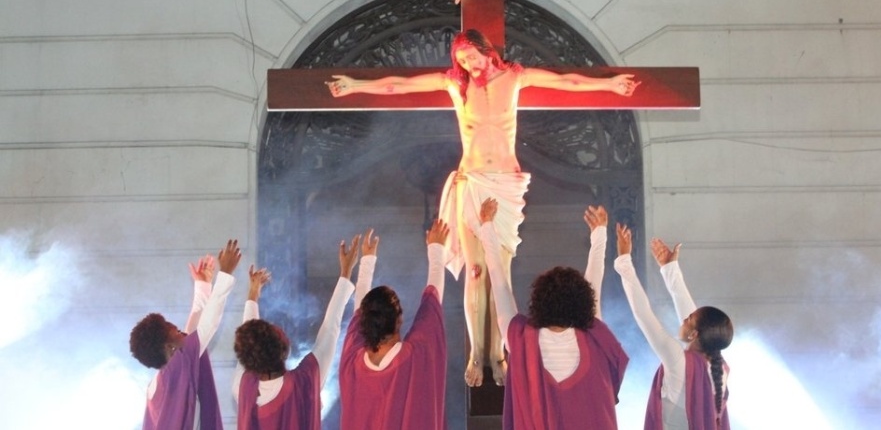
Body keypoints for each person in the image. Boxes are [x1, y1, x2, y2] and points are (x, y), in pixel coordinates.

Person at [327, 29, 639, 387]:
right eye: (461, 61)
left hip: (505, 185)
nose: (469, 65)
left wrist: (611, 84)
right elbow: (399, 85)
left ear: (485, 51)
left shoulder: (516, 77)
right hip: (472, 182)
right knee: (476, 272)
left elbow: (567, 80)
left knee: (499, 271)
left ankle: (498, 354)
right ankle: (478, 353)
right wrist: (353, 85)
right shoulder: (455, 86)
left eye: (471, 57)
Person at [478, 199, 629, 429]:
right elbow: (595, 278)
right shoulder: (594, 336)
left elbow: (498, 281)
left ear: (538, 301)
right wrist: (599, 234)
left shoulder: (520, 339)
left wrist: (487, 226)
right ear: (584, 302)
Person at [231, 232, 361, 429]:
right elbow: (329, 332)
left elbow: (250, 340)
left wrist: (252, 295)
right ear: (284, 349)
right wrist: (345, 273)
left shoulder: (242, 388)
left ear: (246, 359)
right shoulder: (304, 382)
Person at [613, 227, 734, 429]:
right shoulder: (719, 367)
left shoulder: (678, 360)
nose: (683, 319)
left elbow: (643, 314)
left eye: (688, 320)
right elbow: (692, 315)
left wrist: (624, 261)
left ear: (695, 334)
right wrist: (670, 269)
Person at [338, 220, 449, 429]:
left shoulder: (352, 362)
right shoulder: (415, 355)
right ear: (399, 319)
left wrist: (367, 261)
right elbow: (433, 302)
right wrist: (436, 249)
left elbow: (358, 313)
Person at [130, 239, 242, 430]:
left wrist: (203, 286)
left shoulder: (158, 386)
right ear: (169, 347)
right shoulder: (177, 367)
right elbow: (207, 326)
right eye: (168, 326)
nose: (175, 325)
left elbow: (194, 331)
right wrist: (225, 275)